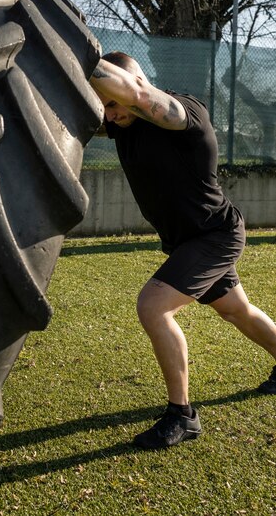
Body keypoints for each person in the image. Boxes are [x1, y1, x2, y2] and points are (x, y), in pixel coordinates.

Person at [89, 51, 276, 450]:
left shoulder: (183, 112)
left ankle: (182, 415)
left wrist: (71, 54)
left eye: (111, 101)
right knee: (237, 311)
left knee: (153, 306)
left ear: (132, 82)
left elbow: (137, 94)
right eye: (103, 105)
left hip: (215, 235)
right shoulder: (122, 125)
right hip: (189, 241)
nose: (109, 113)